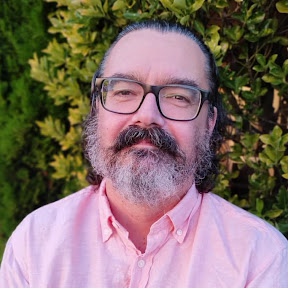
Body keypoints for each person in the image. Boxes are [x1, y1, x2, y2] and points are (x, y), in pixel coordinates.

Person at [0, 20, 287, 287]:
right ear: (97, 109)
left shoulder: (259, 258)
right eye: (124, 91)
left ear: (210, 122)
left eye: (178, 96)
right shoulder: (34, 244)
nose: (147, 116)